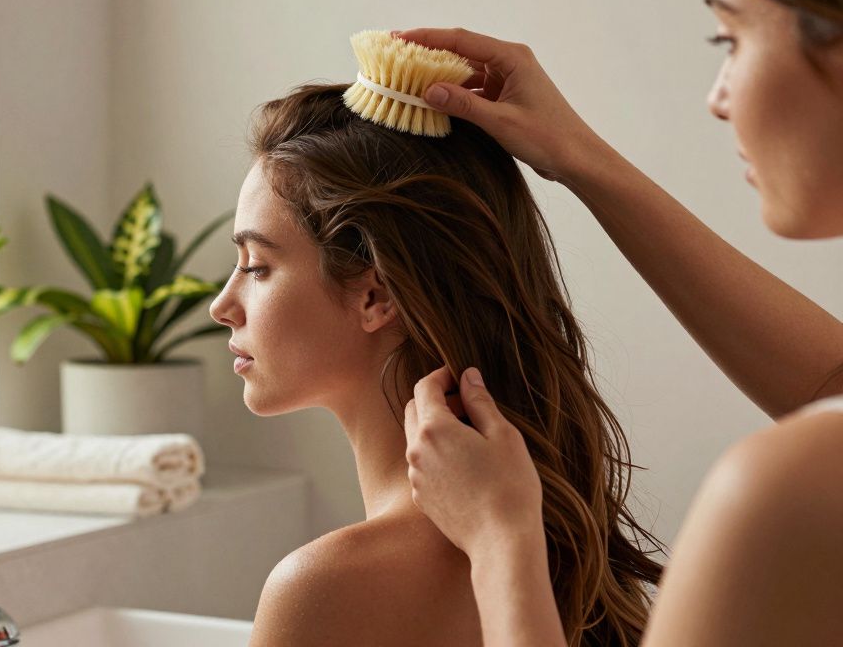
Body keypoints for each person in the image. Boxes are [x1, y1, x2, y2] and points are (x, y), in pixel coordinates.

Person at [398, 0, 843, 645]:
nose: (718, 96)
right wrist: (579, 158)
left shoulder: (782, 496)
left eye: (727, 38)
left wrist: (501, 544)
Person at [209, 84, 663, 646]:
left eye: (256, 266)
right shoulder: (559, 540)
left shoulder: (322, 590)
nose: (222, 306)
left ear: (376, 296)